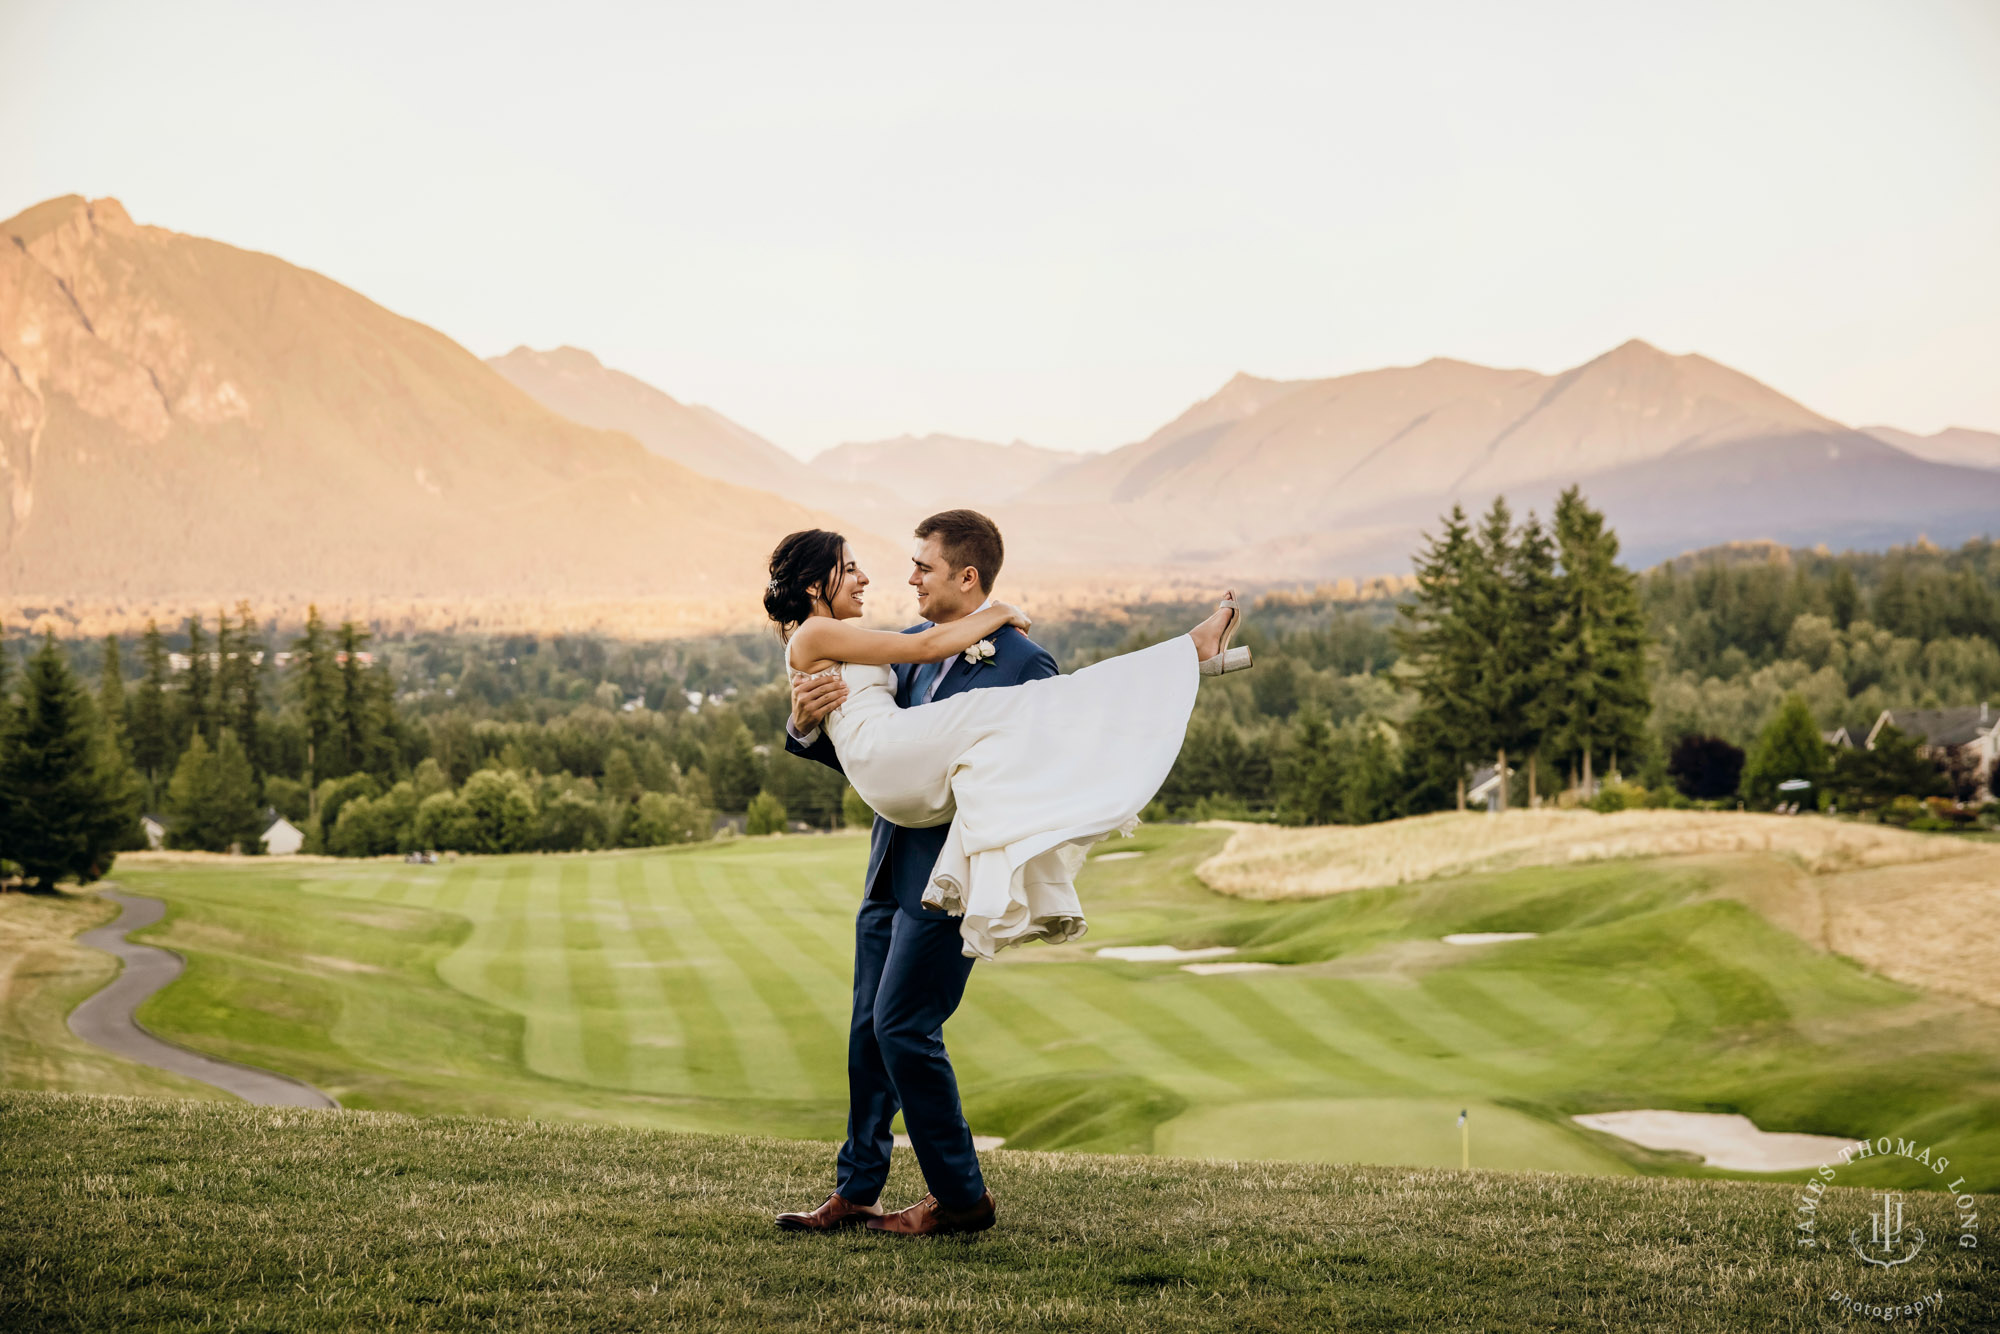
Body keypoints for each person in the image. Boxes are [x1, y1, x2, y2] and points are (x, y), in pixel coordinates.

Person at [772, 509, 1246, 1239]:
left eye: (922, 567)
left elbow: (1039, 754)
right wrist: (803, 725)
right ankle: (857, 1190)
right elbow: (871, 747)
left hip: (945, 875)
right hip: (887, 865)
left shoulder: (1026, 664)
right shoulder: (901, 647)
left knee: (902, 1029)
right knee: (867, 1036)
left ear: (966, 576)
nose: (907, 578)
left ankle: (960, 1198)